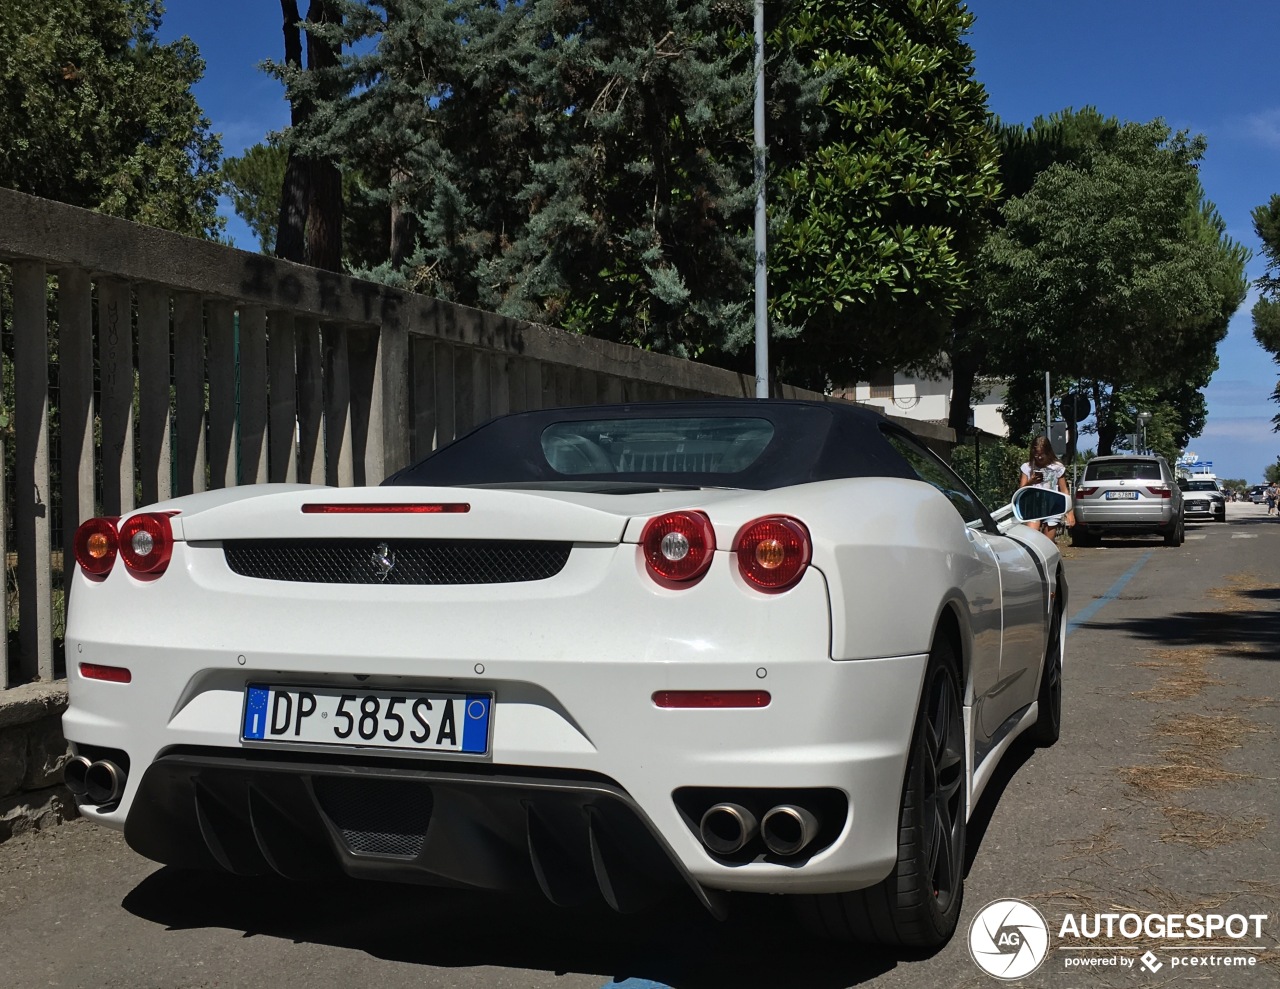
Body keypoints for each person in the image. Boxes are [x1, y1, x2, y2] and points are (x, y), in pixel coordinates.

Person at [1018, 435, 1075, 538]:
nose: (1039, 457)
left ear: (1048, 452)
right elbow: (1021, 491)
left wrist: (1069, 512)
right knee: (1031, 538)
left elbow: (1064, 490)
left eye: (1042, 454)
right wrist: (1030, 482)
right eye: (1036, 454)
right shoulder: (1027, 467)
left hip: (1052, 508)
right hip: (1034, 507)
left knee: (1048, 541)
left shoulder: (1057, 467)